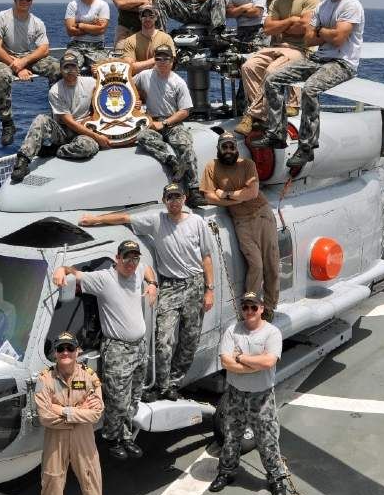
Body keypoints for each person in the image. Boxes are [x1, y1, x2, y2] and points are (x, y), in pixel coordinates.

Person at [79, 183, 215, 401]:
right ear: (164, 200)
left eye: (177, 197)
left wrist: (209, 290)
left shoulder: (197, 222)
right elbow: (125, 218)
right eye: (170, 197)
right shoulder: (156, 220)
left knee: (189, 339)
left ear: (184, 198)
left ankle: (173, 383)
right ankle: (161, 385)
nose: (174, 201)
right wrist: (94, 220)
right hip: (170, 286)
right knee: (163, 340)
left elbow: (206, 257)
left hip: (195, 284)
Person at [52, 240, 158, 461]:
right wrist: (62, 269)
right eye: (127, 258)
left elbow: (146, 267)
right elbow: (76, 273)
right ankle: (112, 438)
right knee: (118, 399)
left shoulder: (137, 269)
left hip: (139, 346)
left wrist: (152, 283)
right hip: (118, 348)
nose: (131, 262)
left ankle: (127, 436)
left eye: (134, 258)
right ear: (117, 258)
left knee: (134, 397)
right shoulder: (104, 279)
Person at [259, 0, 364, 171]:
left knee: (310, 89)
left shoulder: (351, 5)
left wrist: (321, 32)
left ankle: (306, 147)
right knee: (272, 79)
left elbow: (339, 39)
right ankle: (276, 134)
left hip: (342, 63)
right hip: (319, 59)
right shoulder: (322, 6)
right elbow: (308, 39)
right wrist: (327, 33)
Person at [33, 331, 109, 495]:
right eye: (60, 349)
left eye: (69, 348)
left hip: (83, 440)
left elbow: (96, 413)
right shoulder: (45, 379)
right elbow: (44, 416)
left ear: (77, 352)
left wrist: (63, 411)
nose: (65, 353)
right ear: (55, 353)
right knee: (52, 488)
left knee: (92, 486)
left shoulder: (88, 377)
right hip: (55, 441)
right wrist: (78, 411)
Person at [209, 292, 287, 495]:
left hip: (261, 397)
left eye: (254, 307)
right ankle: (226, 471)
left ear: (261, 308)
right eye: (246, 308)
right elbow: (226, 362)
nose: (249, 311)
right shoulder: (232, 331)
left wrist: (242, 358)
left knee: (267, 438)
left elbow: (269, 362)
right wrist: (254, 364)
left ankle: (276, 477)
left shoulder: (272, 333)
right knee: (231, 436)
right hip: (235, 394)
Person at [234, 0, 319, 137]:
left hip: (301, 49)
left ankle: (252, 114)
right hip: (278, 46)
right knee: (248, 66)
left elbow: (304, 27)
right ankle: (264, 111)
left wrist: (282, 25)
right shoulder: (277, 3)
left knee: (272, 70)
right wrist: (290, 21)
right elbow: (268, 28)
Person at [200, 132, 279, 318]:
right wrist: (236, 198)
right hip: (241, 221)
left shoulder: (248, 165)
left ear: (236, 148)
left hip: (262, 214)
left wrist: (224, 194)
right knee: (256, 265)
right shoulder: (212, 167)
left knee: (271, 264)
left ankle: (268, 307)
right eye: (224, 147)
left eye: (231, 147)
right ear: (219, 148)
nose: (228, 150)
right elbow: (208, 196)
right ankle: (251, 308)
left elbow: (252, 193)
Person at [11, 51, 112, 183]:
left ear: (78, 69)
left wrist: (137, 101)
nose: (70, 71)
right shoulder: (55, 91)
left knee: (88, 148)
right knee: (41, 119)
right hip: (64, 130)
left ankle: (55, 150)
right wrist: (98, 137)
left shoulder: (91, 83)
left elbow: (111, 89)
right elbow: (69, 122)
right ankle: (22, 162)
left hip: (86, 128)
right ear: (61, 70)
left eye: (73, 67)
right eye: (66, 67)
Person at [132, 44, 207, 208]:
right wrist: (136, 99)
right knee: (142, 137)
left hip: (173, 122)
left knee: (186, 146)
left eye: (166, 58)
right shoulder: (144, 75)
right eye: (158, 58)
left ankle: (194, 190)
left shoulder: (178, 82)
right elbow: (129, 86)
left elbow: (185, 111)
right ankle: (171, 162)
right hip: (151, 120)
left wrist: (165, 123)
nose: (162, 61)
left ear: (172, 61)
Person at [0, 0, 59, 147]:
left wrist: (24, 62)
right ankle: (7, 124)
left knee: (58, 68)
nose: (24, 0)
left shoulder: (37, 22)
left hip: (26, 56)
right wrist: (15, 66)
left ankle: (58, 118)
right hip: (4, 57)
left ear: (32, 1)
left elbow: (44, 48)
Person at [255, 0, 300, 117]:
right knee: (263, 62)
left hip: (286, 17)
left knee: (291, 59)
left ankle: (294, 103)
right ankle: (263, 104)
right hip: (266, 21)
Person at [64, 0, 111, 70]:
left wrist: (80, 25)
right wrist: (93, 25)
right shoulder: (73, 5)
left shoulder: (103, 5)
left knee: (105, 70)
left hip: (97, 48)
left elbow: (101, 30)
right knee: (68, 67)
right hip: (75, 46)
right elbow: (70, 31)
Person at [120, 4, 177, 73]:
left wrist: (138, 65)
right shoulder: (130, 41)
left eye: (151, 16)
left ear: (156, 17)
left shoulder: (166, 38)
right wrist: (156, 59)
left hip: (160, 78)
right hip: (138, 80)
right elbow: (129, 68)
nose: (147, 19)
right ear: (140, 18)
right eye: (144, 16)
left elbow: (169, 65)